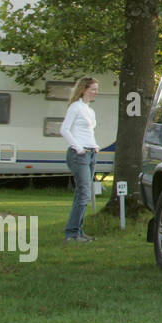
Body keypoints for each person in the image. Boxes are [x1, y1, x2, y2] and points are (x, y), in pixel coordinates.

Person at [61, 76, 100, 243]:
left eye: (96, 90)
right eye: (93, 89)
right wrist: (79, 148)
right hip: (79, 155)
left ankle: (77, 231)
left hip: (91, 153)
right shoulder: (75, 107)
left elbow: (88, 132)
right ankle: (71, 233)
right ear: (84, 89)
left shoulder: (89, 110)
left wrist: (95, 145)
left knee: (84, 194)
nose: (95, 92)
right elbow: (64, 130)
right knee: (84, 193)